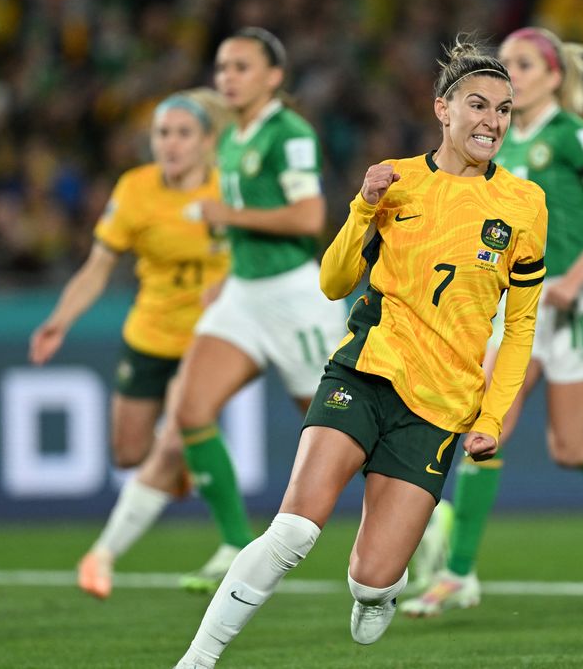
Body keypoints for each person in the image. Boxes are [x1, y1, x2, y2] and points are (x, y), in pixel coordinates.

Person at [174, 36, 547, 668]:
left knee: (371, 578)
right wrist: (363, 206)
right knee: (292, 530)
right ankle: (197, 660)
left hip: (441, 406)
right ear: (443, 110)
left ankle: (378, 593)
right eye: (478, 106)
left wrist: (490, 417)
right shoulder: (395, 181)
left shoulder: (524, 205)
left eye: (504, 110)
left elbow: (520, 327)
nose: (491, 122)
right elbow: (333, 281)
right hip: (366, 370)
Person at [400, 27, 583, 618]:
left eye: (522, 64)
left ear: (552, 76)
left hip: (580, 302)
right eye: (505, 64)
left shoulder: (572, 135)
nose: (510, 73)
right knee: (489, 426)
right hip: (524, 304)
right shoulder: (496, 140)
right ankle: (459, 574)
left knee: (568, 446)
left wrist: (579, 278)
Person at [74, 27, 349, 598]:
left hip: (296, 298)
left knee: (340, 430)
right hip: (245, 295)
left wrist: (225, 212)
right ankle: (231, 541)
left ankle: (428, 525)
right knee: (190, 411)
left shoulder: (288, 132)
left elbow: (306, 218)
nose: (227, 77)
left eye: (241, 67)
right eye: (223, 67)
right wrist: (224, 278)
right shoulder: (232, 139)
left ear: (273, 77)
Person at [28, 88, 231, 600]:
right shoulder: (135, 189)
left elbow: (267, 251)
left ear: (208, 141)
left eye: (184, 133)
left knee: (174, 435)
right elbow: (98, 269)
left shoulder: (230, 186)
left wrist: (230, 286)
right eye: (164, 133)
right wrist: (60, 321)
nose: (172, 144)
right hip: (149, 334)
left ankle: (103, 554)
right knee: (128, 453)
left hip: (209, 338)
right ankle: (182, 467)